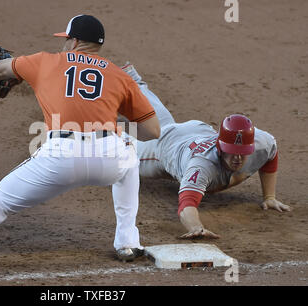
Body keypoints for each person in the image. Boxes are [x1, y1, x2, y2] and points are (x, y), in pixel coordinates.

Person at [0, 15, 161, 275]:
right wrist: (112, 121)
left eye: (66, 40)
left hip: (60, 158)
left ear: (74, 41)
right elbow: (152, 131)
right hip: (108, 158)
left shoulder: (46, 61)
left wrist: (11, 74)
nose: (64, 44)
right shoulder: (119, 75)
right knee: (129, 155)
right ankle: (128, 243)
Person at [121, 63, 291, 239]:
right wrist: (196, 227)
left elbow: (271, 154)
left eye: (243, 152)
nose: (238, 158)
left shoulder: (261, 142)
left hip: (194, 131)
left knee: (162, 121)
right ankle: (97, 121)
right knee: (119, 149)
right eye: (231, 151)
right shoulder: (202, 166)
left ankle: (133, 82)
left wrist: (269, 196)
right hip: (164, 146)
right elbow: (186, 204)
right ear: (220, 146)